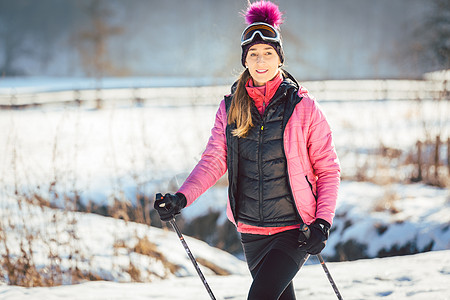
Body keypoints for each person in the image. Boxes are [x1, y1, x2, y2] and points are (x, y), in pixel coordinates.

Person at [154, 1, 340, 299]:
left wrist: (323, 222)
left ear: (280, 58)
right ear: (245, 60)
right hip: (251, 230)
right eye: (253, 53)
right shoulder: (230, 108)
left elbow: (328, 170)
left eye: (268, 52)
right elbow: (214, 160)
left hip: (294, 229)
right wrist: (181, 197)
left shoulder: (303, 108)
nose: (260, 59)